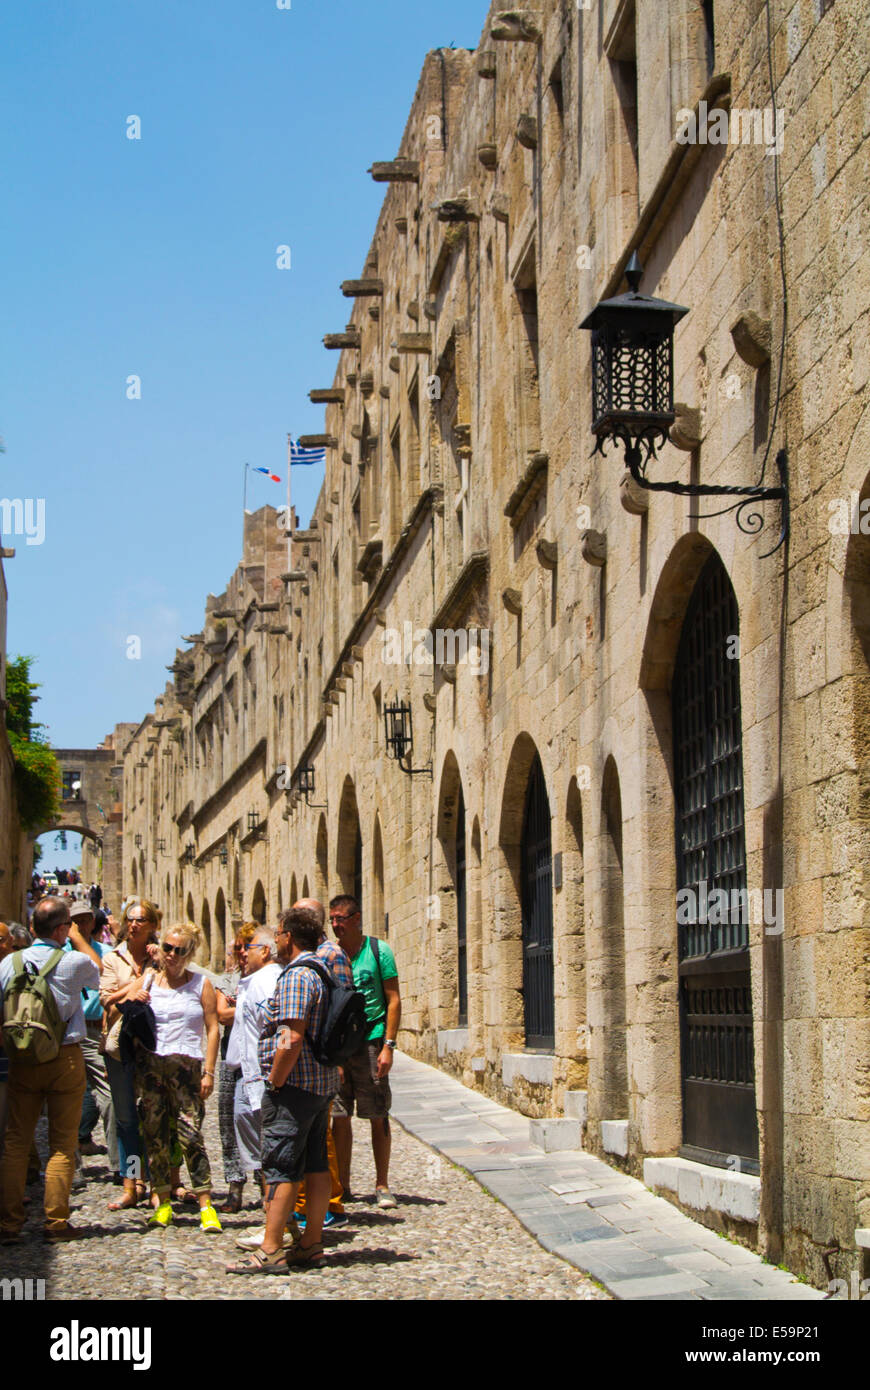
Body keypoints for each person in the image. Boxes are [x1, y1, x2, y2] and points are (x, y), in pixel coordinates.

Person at [226, 909, 339, 1274]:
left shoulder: (296, 976)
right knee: (316, 1164)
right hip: (321, 1084)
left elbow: (290, 1038)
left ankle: (271, 1249)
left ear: (289, 936)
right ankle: (311, 1243)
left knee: (280, 1165)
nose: (275, 940)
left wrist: (274, 1082)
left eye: (278, 934)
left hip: (294, 1085)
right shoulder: (322, 971)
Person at [0, 897, 100, 1242]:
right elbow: (99, 972)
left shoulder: (9, 963)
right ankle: (56, 1222)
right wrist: (78, 938)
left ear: (31, 928)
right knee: (61, 1143)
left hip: (22, 1059)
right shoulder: (73, 962)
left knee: (16, 1140)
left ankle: (9, 1224)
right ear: (62, 928)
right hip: (64, 1057)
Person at [121, 920, 222, 1232]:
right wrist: (133, 1000)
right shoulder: (149, 980)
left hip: (187, 1068)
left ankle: (206, 1203)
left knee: (191, 1135)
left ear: (190, 953)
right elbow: (116, 1005)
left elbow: (213, 1026)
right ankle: (162, 1201)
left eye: (180, 950)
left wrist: (208, 1071)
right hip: (152, 1066)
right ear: (161, 948)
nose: (172, 954)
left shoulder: (200, 984)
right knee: (155, 1136)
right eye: (168, 948)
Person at [329, 894, 401, 1208]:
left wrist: (388, 1045)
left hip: (371, 1041)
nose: (334, 925)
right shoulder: (329, 956)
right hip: (339, 1048)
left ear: (356, 919)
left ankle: (382, 1183)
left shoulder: (378, 951)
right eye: (331, 919)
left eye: (340, 919)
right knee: (339, 1117)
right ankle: (342, 1185)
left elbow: (393, 999)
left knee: (377, 1113)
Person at [99, 900, 161, 1208]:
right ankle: (131, 1182)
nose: (134, 924)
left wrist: (159, 962)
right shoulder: (113, 958)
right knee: (125, 1118)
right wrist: (134, 989)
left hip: (153, 1045)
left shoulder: (162, 957)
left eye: (141, 920)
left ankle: (156, 1183)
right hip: (120, 1045)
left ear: (152, 925)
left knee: (155, 1116)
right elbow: (106, 1000)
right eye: (130, 919)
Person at [229, 928, 281, 1202]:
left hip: (264, 1077)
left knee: (270, 1150)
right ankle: (272, 1211)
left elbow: (276, 1030)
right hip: (253, 1075)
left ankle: (275, 1217)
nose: (242, 953)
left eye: (247, 947)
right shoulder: (255, 980)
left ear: (264, 950)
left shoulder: (263, 982)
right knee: (266, 1149)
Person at [65, 903, 118, 1172]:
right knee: (66, 1102)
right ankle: (70, 1170)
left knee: (111, 1100)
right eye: (76, 921)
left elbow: (104, 978)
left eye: (86, 920)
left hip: (99, 1029)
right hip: (68, 1033)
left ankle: (124, 1169)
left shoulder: (106, 953)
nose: (82, 926)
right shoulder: (59, 952)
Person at [215, 922, 257, 1212]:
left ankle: (268, 1182)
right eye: (237, 949)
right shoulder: (227, 980)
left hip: (259, 1056)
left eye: (244, 947)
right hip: (231, 1057)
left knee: (261, 1118)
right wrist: (246, 1005)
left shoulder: (267, 978)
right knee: (228, 1118)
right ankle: (234, 1184)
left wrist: (238, 1005)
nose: (240, 953)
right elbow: (221, 1014)